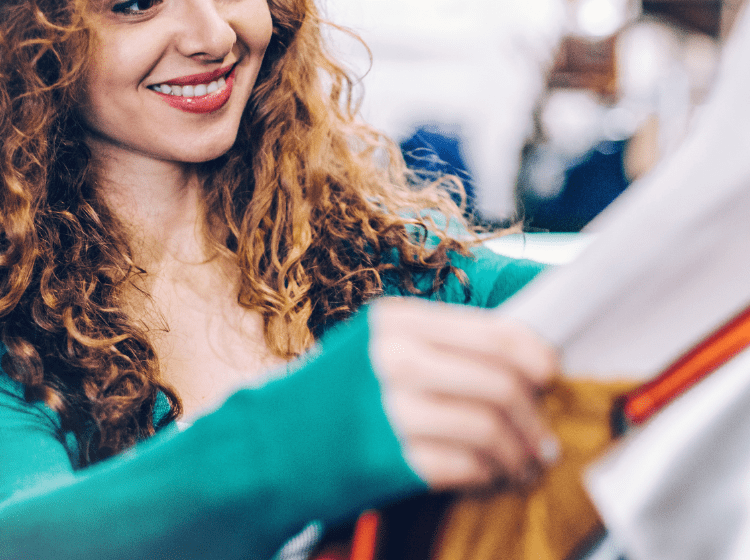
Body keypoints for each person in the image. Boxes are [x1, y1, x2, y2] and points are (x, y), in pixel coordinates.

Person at [0, 0, 560, 558]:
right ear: (24, 40)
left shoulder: (370, 246)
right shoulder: (15, 333)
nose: (214, 35)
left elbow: (588, 306)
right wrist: (289, 437)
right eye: (135, 5)